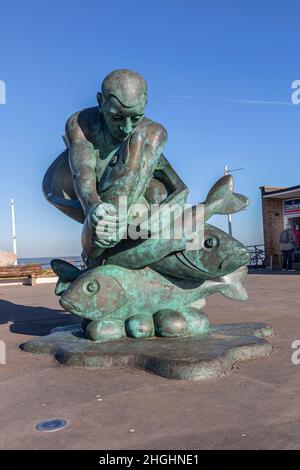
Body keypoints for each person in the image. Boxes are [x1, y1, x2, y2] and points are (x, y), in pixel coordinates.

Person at [65, 69, 168, 261]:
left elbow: (144, 180)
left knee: (157, 190)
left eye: (136, 118)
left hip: (135, 204)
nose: (126, 128)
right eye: (117, 117)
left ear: (145, 104)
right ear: (100, 102)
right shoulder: (81, 124)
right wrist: (93, 206)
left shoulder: (153, 133)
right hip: (95, 195)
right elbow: (83, 170)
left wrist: (122, 218)